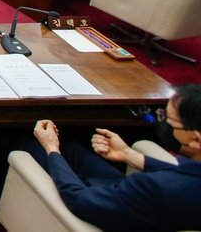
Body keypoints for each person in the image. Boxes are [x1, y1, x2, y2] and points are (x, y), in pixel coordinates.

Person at [19, 84, 201, 232]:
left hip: (108, 209)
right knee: (69, 146)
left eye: (165, 116)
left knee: (22, 143)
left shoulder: (156, 187)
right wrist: (129, 155)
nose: (159, 118)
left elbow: (78, 199)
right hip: (136, 202)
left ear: (195, 139)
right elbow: (183, 176)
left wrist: (51, 148)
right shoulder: (181, 181)